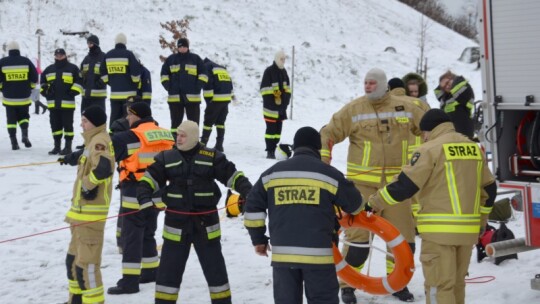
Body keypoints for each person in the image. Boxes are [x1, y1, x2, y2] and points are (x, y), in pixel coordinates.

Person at [365, 109, 497, 304]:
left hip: (439, 234)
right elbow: (490, 190)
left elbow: (404, 186)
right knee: (457, 285)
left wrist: (373, 203)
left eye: (423, 133)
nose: (423, 138)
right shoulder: (473, 148)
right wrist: (481, 221)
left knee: (439, 286)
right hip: (467, 233)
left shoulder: (430, 150)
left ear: (429, 130)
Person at [320, 68, 425, 303]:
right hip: (363, 188)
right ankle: (347, 285)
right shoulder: (354, 109)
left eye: (371, 83)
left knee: (404, 241)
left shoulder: (405, 107)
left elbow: (428, 128)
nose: (367, 87)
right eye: (365, 83)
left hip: (398, 187)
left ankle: (398, 283)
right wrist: (323, 158)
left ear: (382, 85)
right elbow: (329, 132)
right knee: (357, 241)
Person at [137, 120, 252, 303]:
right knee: (167, 277)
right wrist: (144, 198)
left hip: (207, 227)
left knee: (217, 276)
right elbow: (147, 181)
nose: (178, 138)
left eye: (183, 135)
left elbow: (233, 176)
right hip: (176, 228)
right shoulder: (166, 158)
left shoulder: (212, 156)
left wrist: (248, 192)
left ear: (192, 137)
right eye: (177, 134)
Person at [244, 126, 363, 304]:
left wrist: (259, 240)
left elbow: (252, 207)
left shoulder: (271, 175)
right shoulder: (328, 174)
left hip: (283, 258)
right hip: (319, 256)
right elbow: (356, 205)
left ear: (294, 147)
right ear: (318, 148)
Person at [108, 102, 174, 294]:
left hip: (134, 192)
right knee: (148, 231)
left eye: (129, 115)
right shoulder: (167, 134)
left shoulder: (130, 136)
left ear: (135, 115)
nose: (127, 119)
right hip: (158, 192)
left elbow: (105, 152)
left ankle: (129, 282)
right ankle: (151, 271)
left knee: (132, 236)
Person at [57, 105, 114, 304]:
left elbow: (104, 168)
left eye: (85, 120)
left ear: (95, 123)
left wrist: (88, 186)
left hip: (91, 217)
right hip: (79, 216)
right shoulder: (91, 142)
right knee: (72, 262)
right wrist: (71, 158)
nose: (81, 123)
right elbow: (86, 157)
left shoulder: (99, 141)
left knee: (86, 268)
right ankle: (75, 300)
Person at [388, 77, 430, 224]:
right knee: (419, 187)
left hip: (398, 153)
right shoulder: (420, 104)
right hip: (421, 152)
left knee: (401, 185)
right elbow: (430, 126)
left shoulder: (387, 104)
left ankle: (403, 218)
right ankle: (420, 220)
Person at [160, 38, 208, 136]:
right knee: (175, 125)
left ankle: (194, 144)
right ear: (177, 47)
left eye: (184, 46)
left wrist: (198, 86)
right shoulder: (171, 59)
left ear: (188, 47)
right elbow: (164, 74)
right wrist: (168, 86)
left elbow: (204, 74)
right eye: (180, 46)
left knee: (193, 124)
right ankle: (174, 145)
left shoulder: (195, 59)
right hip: (175, 98)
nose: (182, 48)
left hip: (192, 98)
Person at [41, 48, 83, 155]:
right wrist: (45, 91)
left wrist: (73, 91)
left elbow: (80, 82)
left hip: (67, 105)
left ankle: (68, 147)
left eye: (61, 55)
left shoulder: (73, 68)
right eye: (57, 55)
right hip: (53, 104)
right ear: (54, 56)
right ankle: (57, 147)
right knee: (55, 126)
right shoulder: (49, 69)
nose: (59, 57)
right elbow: (42, 84)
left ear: (65, 56)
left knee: (68, 126)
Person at [0, 41, 39, 150]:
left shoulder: (3, 62)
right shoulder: (26, 61)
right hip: (24, 98)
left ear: (9, 50)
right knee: (24, 117)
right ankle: (25, 136)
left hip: (9, 99)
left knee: (11, 121)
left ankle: (14, 142)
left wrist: (2, 88)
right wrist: (30, 87)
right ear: (18, 50)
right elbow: (34, 77)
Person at [100, 33, 141, 126]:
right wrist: (135, 83)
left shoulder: (108, 55)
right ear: (125, 42)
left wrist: (110, 82)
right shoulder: (129, 54)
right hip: (129, 96)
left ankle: (113, 135)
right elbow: (135, 72)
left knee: (114, 117)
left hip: (115, 94)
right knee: (129, 117)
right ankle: (127, 136)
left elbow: (102, 71)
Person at [260, 50, 291, 159]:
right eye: (281, 59)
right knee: (270, 131)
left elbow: (288, 89)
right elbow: (264, 89)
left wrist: (285, 101)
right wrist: (274, 97)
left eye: (284, 59)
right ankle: (270, 150)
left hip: (281, 109)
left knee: (278, 131)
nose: (283, 61)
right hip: (270, 109)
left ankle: (275, 146)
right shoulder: (269, 71)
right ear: (277, 59)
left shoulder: (284, 72)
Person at [201, 57, 234, 152]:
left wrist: (209, 99)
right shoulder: (221, 68)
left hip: (215, 99)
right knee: (220, 123)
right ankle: (219, 145)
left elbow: (208, 82)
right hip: (226, 98)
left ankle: (202, 145)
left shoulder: (206, 67)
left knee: (208, 122)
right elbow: (229, 83)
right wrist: (231, 96)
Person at [434, 71, 475, 140]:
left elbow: (459, 88)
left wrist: (455, 81)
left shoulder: (464, 90)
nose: (447, 86)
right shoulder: (446, 98)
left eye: (447, 82)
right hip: (450, 135)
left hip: (463, 135)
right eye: (444, 87)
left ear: (454, 79)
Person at [80, 34, 106, 112]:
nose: (89, 45)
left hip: (99, 97)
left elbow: (108, 74)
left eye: (90, 43)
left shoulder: (103, 57)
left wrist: (101, 82)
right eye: (88, 43)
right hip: (86, 96)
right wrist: (82, 81)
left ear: (96, 44)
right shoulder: (86, 58)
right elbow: (81, 73)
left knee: (98, 121)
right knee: (85, 120)